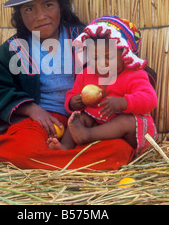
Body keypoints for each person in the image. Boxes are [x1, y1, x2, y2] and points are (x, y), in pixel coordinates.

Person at [0, 0, 146, 170]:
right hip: (41, 124)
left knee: (119, 149)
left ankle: (38, 160)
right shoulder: (15, 49)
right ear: (20, 15)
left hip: (89, 122)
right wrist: (31, 109)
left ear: (61, 6)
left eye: (48, 5)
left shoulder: (85, 38)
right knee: (27, 148)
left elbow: (128, 65)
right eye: (29, 9)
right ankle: (65, 160)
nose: (41, 16)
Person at [47, 16, 158, 152]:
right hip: (99, 123)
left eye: (108, 57)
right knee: (78, 118)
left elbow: (150, 99)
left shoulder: (134, 74)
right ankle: (65, 147)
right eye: (95, 57)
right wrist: (73, 102)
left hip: (128, 134)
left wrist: (124, 102)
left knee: (125, 122)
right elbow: (72, 93)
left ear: (124, 54)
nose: (101, 63)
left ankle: (87, 136)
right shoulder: (87, 73)